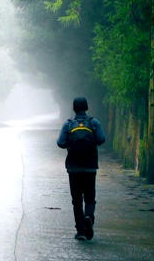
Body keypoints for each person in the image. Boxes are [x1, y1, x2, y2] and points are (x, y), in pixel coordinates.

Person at [56, 96, 106, 241]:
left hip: (73, 168)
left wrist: (71, 145)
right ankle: (89, 216)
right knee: (90, 198)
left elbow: (60, 143)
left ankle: (81, 231)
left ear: (73, 109)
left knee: (76, 200)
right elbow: (102, 139)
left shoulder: (69, 124)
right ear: (87, 108)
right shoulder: (94, 122)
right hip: (90, 167)